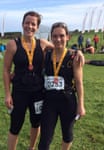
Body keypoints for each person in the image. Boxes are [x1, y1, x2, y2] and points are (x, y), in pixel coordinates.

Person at [3, 11, 85, 150]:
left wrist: (77, 51)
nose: (30, 26)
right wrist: (7, 94)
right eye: (27, 23)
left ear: (37, 27)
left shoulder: (42, 44)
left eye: (33, 24)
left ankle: (32, 148)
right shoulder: (13, 44)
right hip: (19, 92)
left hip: (38, 93)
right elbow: (5, 70)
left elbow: (61, 46)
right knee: (15, 125)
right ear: (22, 24)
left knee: (36, 123)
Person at [38, 22, 86, 150]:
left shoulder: (73, 57)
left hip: (67, 100)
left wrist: (81, 105)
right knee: (45, 138)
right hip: (49, 101)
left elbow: (79, 82)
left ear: (68, 37)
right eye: (54, 36)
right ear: (51, 37)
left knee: (67, 134)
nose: (58, 39)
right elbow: (40, 42)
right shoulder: (46, 54)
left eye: (61, 36)